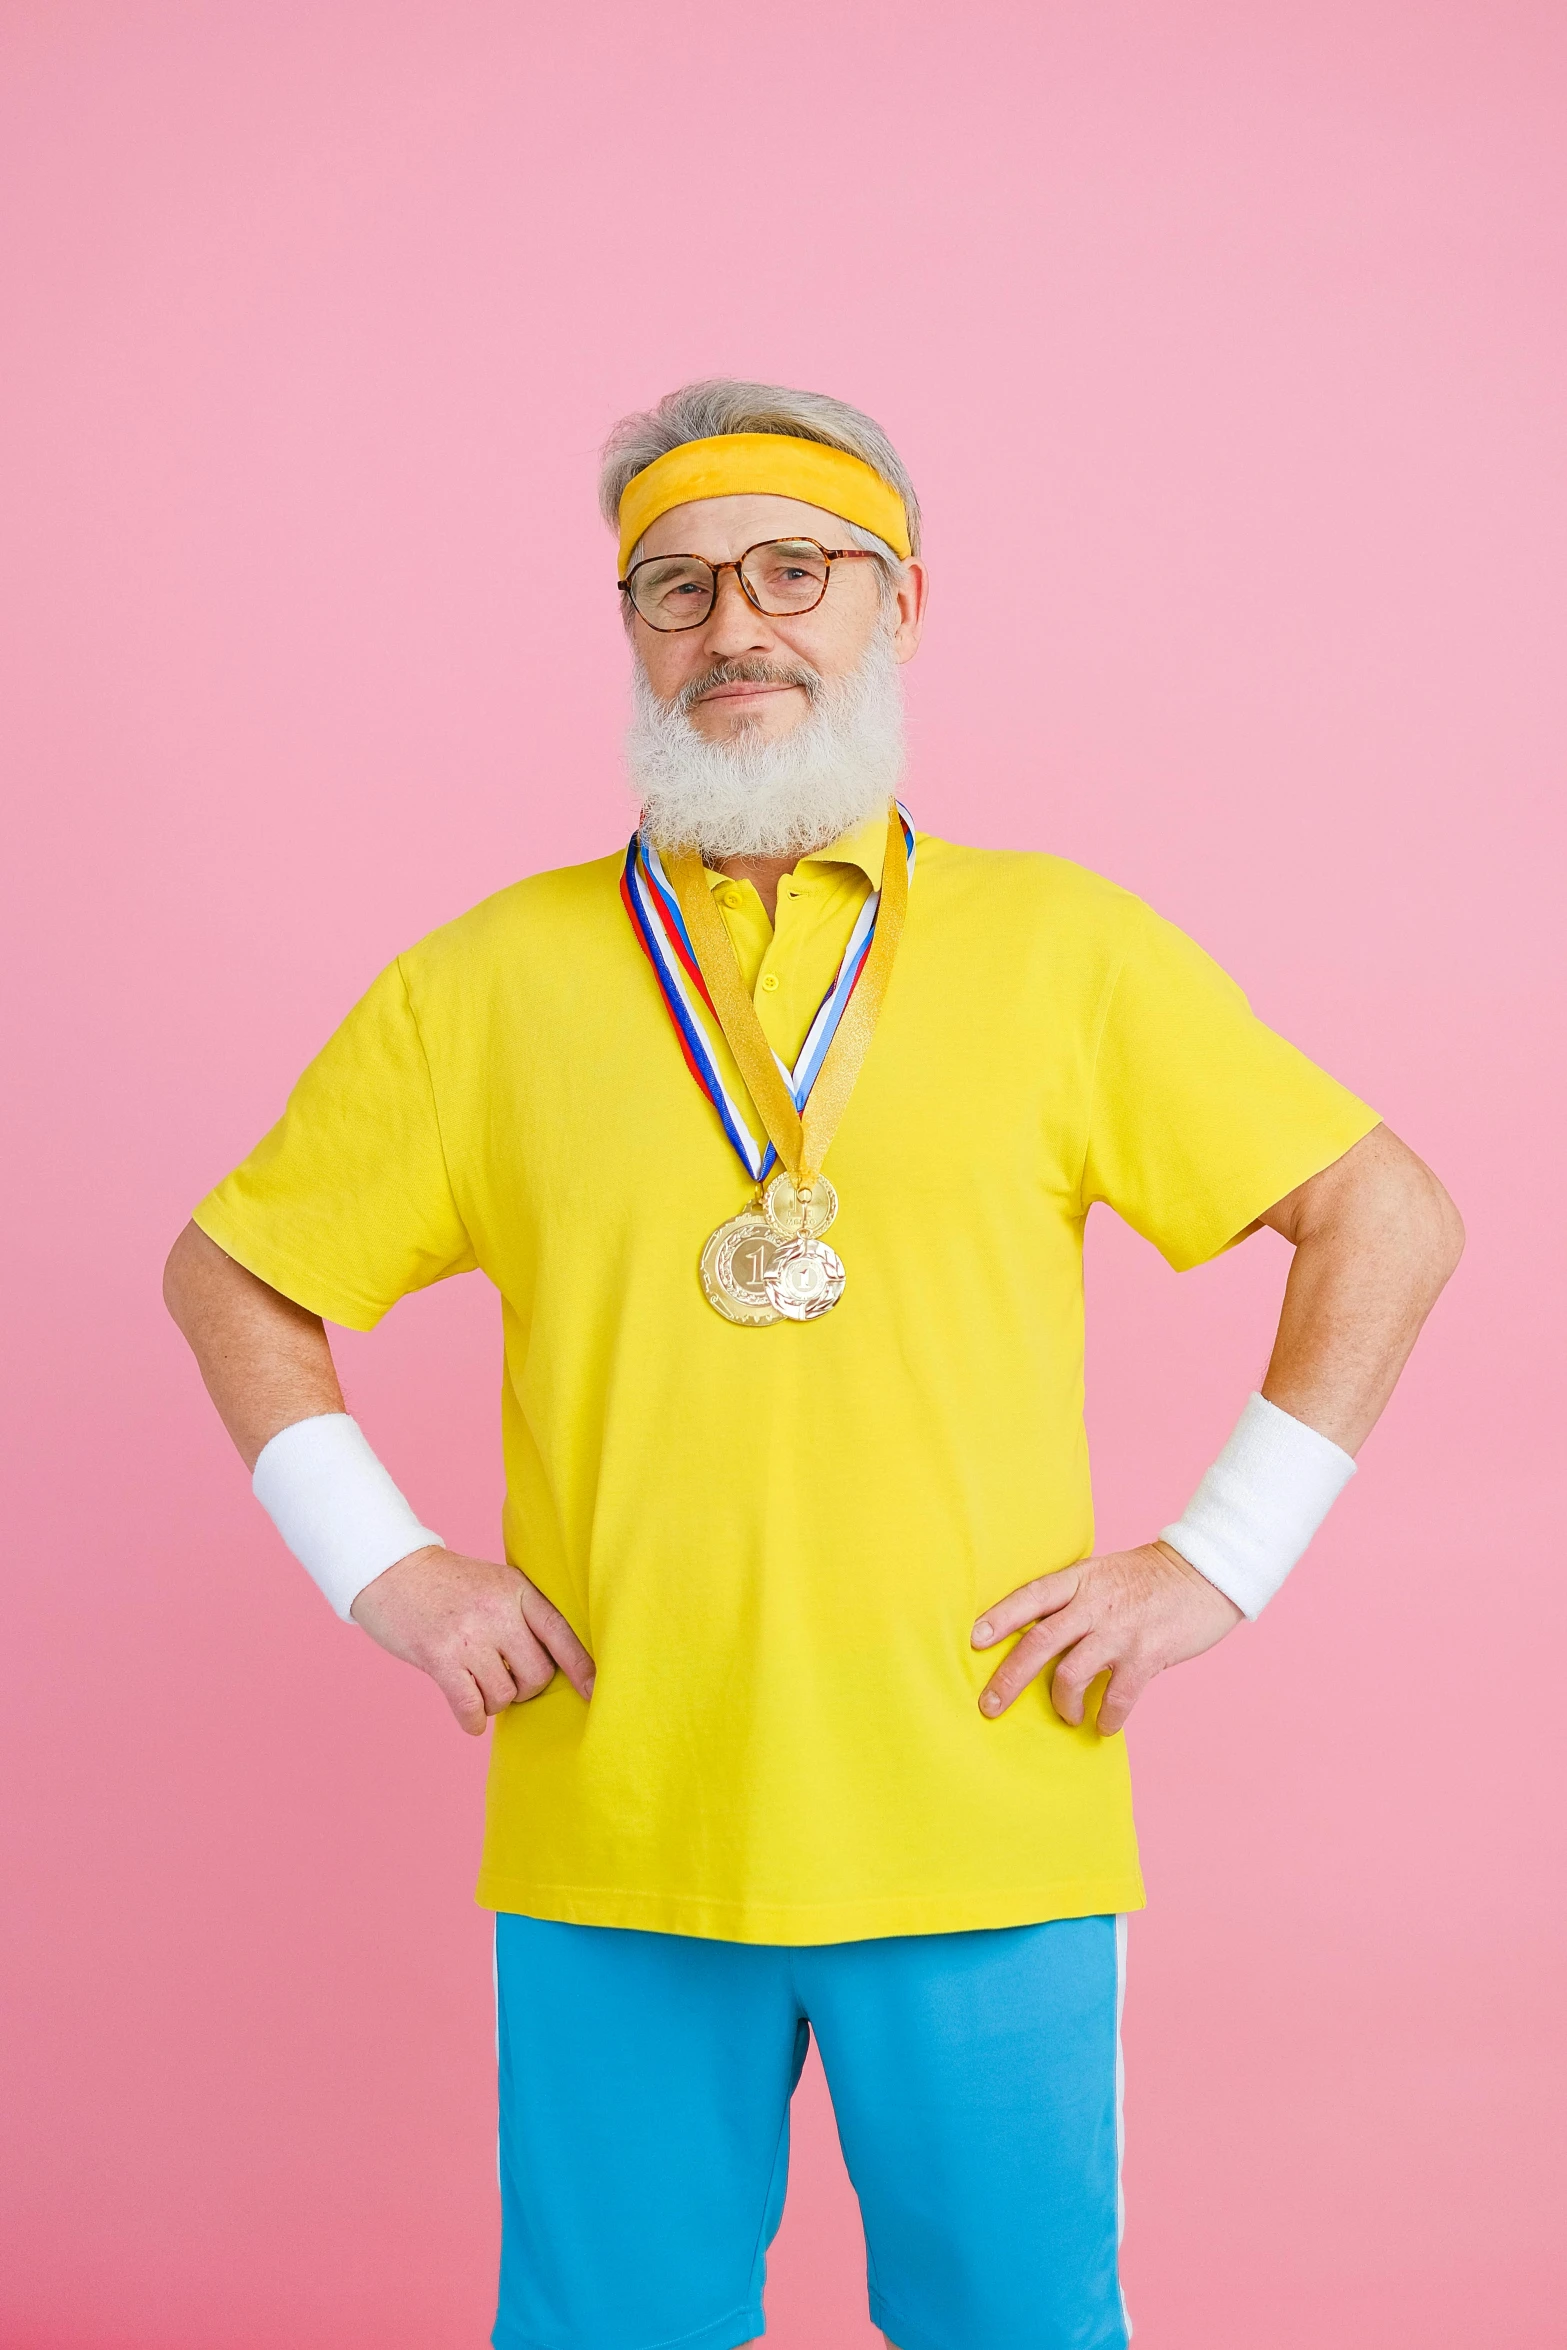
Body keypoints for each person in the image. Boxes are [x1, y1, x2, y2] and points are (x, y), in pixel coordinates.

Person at [164, 378, 1463, 2350]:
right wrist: (384, 1559)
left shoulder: (1063, 948)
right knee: (608, 2323)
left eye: (797, 570)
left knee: (1018, 2319)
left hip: (984, 1802)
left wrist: (1221, 1554)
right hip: (619, 1808)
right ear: (629, 634)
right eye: (674, 586)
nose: (736, 625)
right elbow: (234, 1267)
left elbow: (1392, 1212)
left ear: (903, 604)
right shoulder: (486, 979)